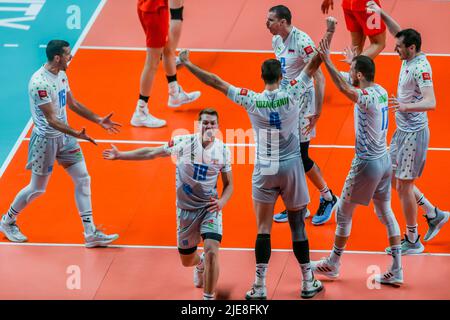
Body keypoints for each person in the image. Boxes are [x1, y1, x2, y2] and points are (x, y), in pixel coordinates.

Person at [178, 17, 338, 299]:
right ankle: (307, 281)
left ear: (262, 77)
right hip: (291, 167)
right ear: (281, 76)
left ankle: (260, 286)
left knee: (263, 229)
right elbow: (315, 63)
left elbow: (215, 82)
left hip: (265, 169)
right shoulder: (292, 92)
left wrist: (189, 65)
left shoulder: (250, 99)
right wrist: (330, 31)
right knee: (298, 225)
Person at [0, 40, 120, 248]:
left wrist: (98, 119)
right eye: (68, 54)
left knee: (83, 178)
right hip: (46, 140)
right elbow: (52, 120)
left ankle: (90, 233)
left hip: (65, 138)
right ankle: (7, 221)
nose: (70, 57)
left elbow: (72, 103)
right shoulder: (40, 83)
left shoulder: (61, 75)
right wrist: (77, 133)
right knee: (37, 189)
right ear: (57, 57)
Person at [103, 108, 233, 300]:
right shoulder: (183, 143)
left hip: (209, 208)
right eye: (205, 122)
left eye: (212, 123)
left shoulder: (223, 150)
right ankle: (200, 263)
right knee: (187, 260)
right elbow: (151, 153)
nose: (209, 126)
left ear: (218, 126)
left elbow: (229, 184)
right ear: (199, 125)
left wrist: (222, 201)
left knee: (212, 250)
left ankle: (208, 298)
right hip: (186, 210)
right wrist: (121, 155)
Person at [311, 38, 403, 285]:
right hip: (384, 161)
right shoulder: (380, 90)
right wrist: (352, 63)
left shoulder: (364, 96)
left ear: (360, 75)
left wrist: (326, 59)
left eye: (353, 71)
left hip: (367, 164)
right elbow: (345, 80)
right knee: (385, 211)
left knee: (342, 212)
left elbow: (344, 88)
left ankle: (333, 263)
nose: (349, 73)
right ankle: (397, 268)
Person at [367, 1, 449, 253]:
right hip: (402, 131)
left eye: (399, 48)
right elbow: (398, 32)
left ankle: (413, 240)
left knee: (403, 186)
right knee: (392, 177)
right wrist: (382, 13)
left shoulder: (421, 68)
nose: (395, 50)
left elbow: (431, 101)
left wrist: (404, 106)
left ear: (412, 49)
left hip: (414, 133)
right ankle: (433, 213)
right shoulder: (409, 52)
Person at [267, 5, 338, 225]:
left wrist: (317, 111)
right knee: (290, 156)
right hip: (287, 104)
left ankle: (328, 197)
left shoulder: (302, 42)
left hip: (304, 104)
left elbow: (319, 77)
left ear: (283, 21)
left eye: (271, 20)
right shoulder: (277, 41)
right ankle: (299, 204)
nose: (267, 24)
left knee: (300, 156)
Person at [132, 0, 200, 128]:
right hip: (154, 11)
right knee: (152, 62)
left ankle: (175, 93)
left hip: (148, 7)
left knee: (168, 49)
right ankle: (140, 111)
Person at [321, 0, 386, 59]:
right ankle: (355, 68)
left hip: (347, 3)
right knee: (378, 43)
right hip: (366, 3)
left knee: (356, 45)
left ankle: (352, 71)